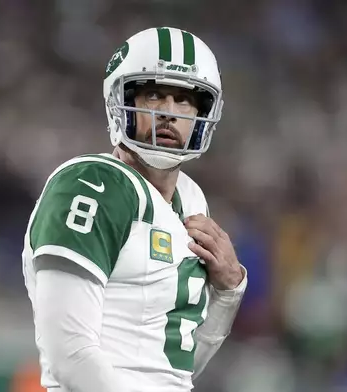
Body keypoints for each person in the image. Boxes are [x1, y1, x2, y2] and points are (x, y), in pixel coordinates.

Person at [21, 26, 247, 392]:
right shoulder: (92, 184)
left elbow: (174, 367)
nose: (170, 113)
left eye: (185, 100)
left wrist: (227, 292)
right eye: (154, 95)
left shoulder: (191, 200)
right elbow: (70, 355)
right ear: (121, 100)